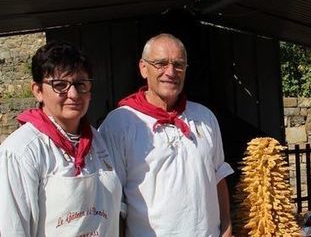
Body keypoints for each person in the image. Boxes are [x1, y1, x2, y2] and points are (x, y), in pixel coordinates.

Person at [98, 33, 234, 236]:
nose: (171, 72)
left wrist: (227, 228)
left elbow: (218, 177)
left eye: (178, 65)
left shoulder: (205, 117)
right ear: (143, 68)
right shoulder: (119, 123)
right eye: (161, 63)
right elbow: (112, 199)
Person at [0, 41, 121, 236]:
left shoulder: (99, 141)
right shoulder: (21, 152)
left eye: (81, 84)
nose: (73, 94)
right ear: (38, 91)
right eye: (60, 85)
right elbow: (12, 229)